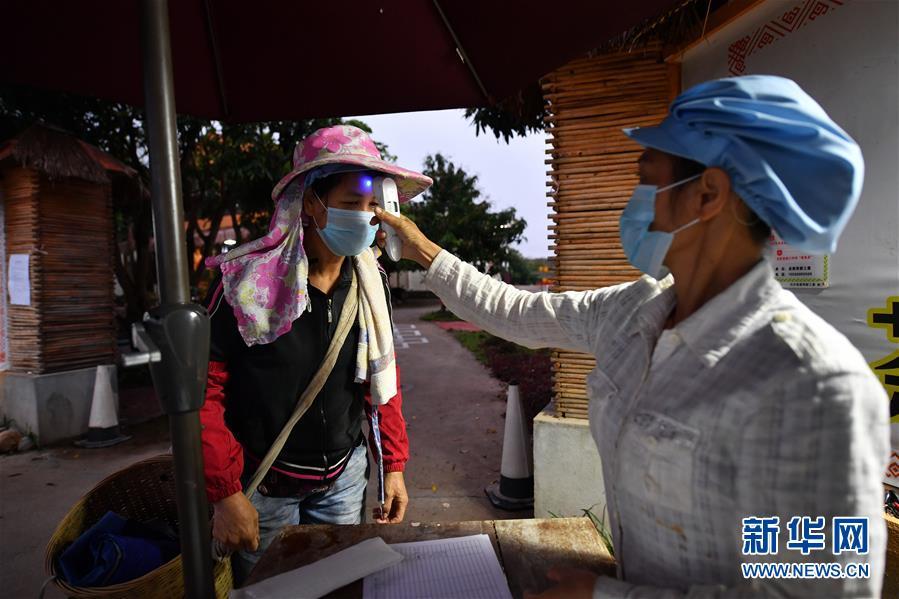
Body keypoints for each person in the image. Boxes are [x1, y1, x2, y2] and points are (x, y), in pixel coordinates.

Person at [374, 76, 890, 597]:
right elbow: (519, 311)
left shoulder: (813, 385)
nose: (636, 202)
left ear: (708, 194)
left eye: (648, 181)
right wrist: (424, 251)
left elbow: (815, 590)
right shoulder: (634, 310)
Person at [200, 125, 432, 583]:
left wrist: (395, 467)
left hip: (344, 484)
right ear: (310, 202)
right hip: (263, 490)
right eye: (351, 205)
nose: (367, 219)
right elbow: (201, 394)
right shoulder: (243, 286)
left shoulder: (371, 281)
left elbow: (382, 383)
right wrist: (226, 493)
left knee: (338, 590)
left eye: (373, 207)